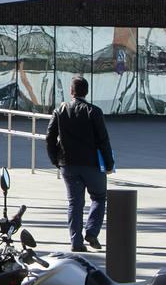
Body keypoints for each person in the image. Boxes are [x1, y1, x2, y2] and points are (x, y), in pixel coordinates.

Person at [47, 75, 115, 252]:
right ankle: (91, 232)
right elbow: (103, 140)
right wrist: (109, 164)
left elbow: (49, 137)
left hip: (68, 164)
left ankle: (76, 242)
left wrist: (55, 159)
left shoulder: (60, 110)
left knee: (75, 202)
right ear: (87, 92)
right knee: (99, 197)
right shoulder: (94, 111)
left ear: (71, 91)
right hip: (92, 164)